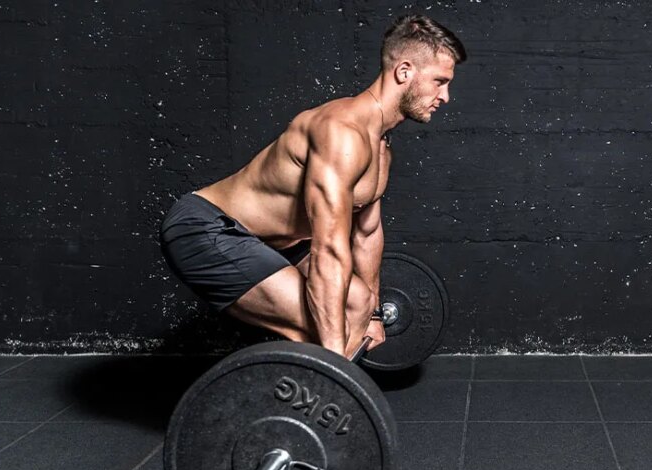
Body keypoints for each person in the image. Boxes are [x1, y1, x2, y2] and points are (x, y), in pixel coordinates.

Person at [160, 14, 466, 360]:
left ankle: (312, 385)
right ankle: (302, 390)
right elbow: (329, 250)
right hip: (206, 229)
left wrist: (373, 314)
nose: (445, 96)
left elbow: (367, 234)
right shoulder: (342, 134)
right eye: (439, 81)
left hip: (272, 242)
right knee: (322, 329)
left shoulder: (381, 146)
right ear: (404, 71)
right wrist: (334, 365)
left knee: (357, 305)